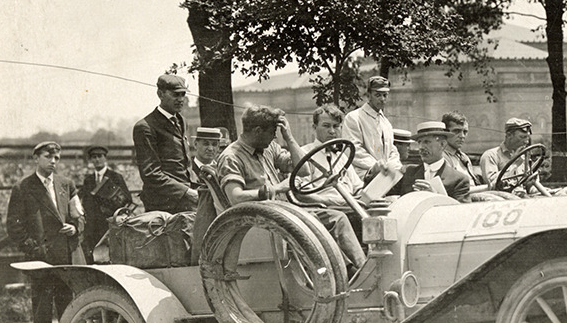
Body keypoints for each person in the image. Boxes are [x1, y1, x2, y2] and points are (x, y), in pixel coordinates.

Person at [209, 105, 366, 271]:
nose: (275, 137)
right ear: (257, 131)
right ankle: (346, 271)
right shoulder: (231, 157)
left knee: (337, 218)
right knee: (314, 225)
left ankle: (361, 268)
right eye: (273, 132)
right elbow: (235, 197)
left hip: (284, 212)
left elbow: (304, 170)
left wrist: (289, 138)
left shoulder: (268, 148)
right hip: (260, 217)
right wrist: (277, 188)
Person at [6, 141, 85, 323]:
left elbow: (79, 215)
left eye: (56, 158)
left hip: (65, 256)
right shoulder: (23, 188)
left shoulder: (66, 184)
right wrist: (34, 249)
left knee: (67, 306)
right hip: (40, 259)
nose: (53, 161)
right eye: (47, 157)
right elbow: (14, 226)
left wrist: (75, 228)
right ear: (36, 158)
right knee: (42, 307)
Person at [133, 74, 197, 213]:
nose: (181, 99)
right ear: (160, 94)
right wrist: (187, 192)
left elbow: (184, 164)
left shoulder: (181, 121)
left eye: (183, 94)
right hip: (163, 203)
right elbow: (151, 174)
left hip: (187, 199)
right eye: (175, 95)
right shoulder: (146, 127)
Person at [299, 104, 367, 207]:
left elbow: (357, 187)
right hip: (323, 209)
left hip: (350, 206)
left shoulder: (342, 157)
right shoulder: (304, 154)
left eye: (336, 126)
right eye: (326, 126)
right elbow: (303, 194)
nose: (332, 131)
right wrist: (338, 203)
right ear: (314, 127)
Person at [392, 121, 472, 203]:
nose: (421, 147)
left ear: (442, 144)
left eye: (427, 142)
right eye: (419, 142)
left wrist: (435, 197)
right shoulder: (408, 173)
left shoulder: (459, 180)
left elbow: (462, 210)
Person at [343, 76, 402, 180]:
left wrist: (392, 166)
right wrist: (376, 166)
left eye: (385, 95)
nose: (382, 99)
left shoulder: (386, 123)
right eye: (378, 95)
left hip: (385, 177)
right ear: (369, 95)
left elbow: (392, 150)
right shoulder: (354, 118)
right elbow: (352, 149)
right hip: (362, 176)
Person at [79, 145, 131, 261]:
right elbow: (85, 201)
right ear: (91, 160)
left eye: (100, 156)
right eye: (94, 157)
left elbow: (127, 199)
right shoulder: (88, 180)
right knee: (93, 257)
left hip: (109, 225)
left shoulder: (116, 177)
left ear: (105, 158)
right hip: (92, 226)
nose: (97, 159)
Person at [480, 117, 532, 187]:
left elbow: (529, 185)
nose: (526, 142)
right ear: (509, 135)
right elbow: (492, 184)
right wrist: (514, 165)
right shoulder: (491, 156)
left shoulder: (523, 157)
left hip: (523, 193)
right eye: (522, 137)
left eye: (528, 137)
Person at [442, 111, 482, 186]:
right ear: (444, 132)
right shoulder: (442, 158)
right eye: (456, 131)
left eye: (465, 132)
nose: (462, 136)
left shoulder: (464, 157)